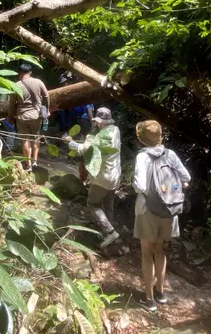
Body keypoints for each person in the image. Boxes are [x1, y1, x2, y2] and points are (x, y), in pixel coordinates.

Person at [133, 120, 191, 312]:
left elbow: (140, 185)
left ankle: (149, 299)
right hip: (169, 211)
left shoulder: (142, 157)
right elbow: (186, 178)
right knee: (161, 252)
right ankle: (161, 292)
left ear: (141, 139)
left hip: (147, 210)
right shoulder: (170, 154)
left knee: (146, 253)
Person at [64, 107, 122, 248]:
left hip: (102, 177)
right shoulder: (115, 130)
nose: (96, 124)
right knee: (108, 206)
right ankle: (107, 232)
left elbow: (81, 150)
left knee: (93, 204)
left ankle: (110, 232)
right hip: (115, 175)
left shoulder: (99, 137)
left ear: (100, 122)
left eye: (97, 122)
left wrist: (69, 141)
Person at [7, 63, 50, 170]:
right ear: (30, 72)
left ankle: (28, 165)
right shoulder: (38, 82)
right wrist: (47, 109)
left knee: (25, 140)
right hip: (36, 115)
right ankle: (35, 163)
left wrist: (10, 117)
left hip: (22, 116)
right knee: (35, 138)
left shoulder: (16, 85)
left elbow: (11, 104)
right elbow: (46, 96)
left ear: (19, 73)